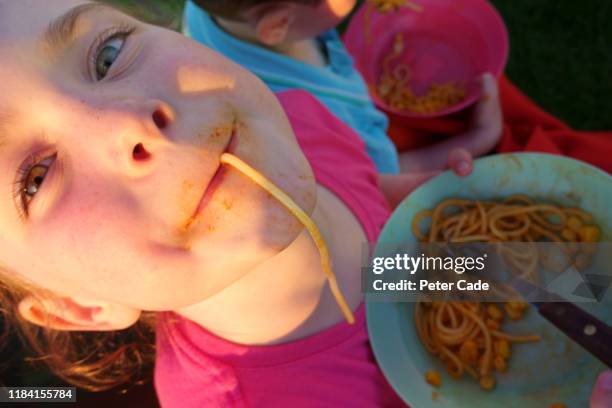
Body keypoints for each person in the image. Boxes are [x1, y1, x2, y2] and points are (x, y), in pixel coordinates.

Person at [0, 1, 607, 407]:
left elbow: (370, 200)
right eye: (35, 178)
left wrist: (433, 195)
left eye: (107, 56)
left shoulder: (298, 125)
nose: (131, 121)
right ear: (80, 306)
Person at [183, 0, 503, 176]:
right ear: (278, 24)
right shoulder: (328, 119)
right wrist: (481, 137)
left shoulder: (214, 12)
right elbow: (381, 181)